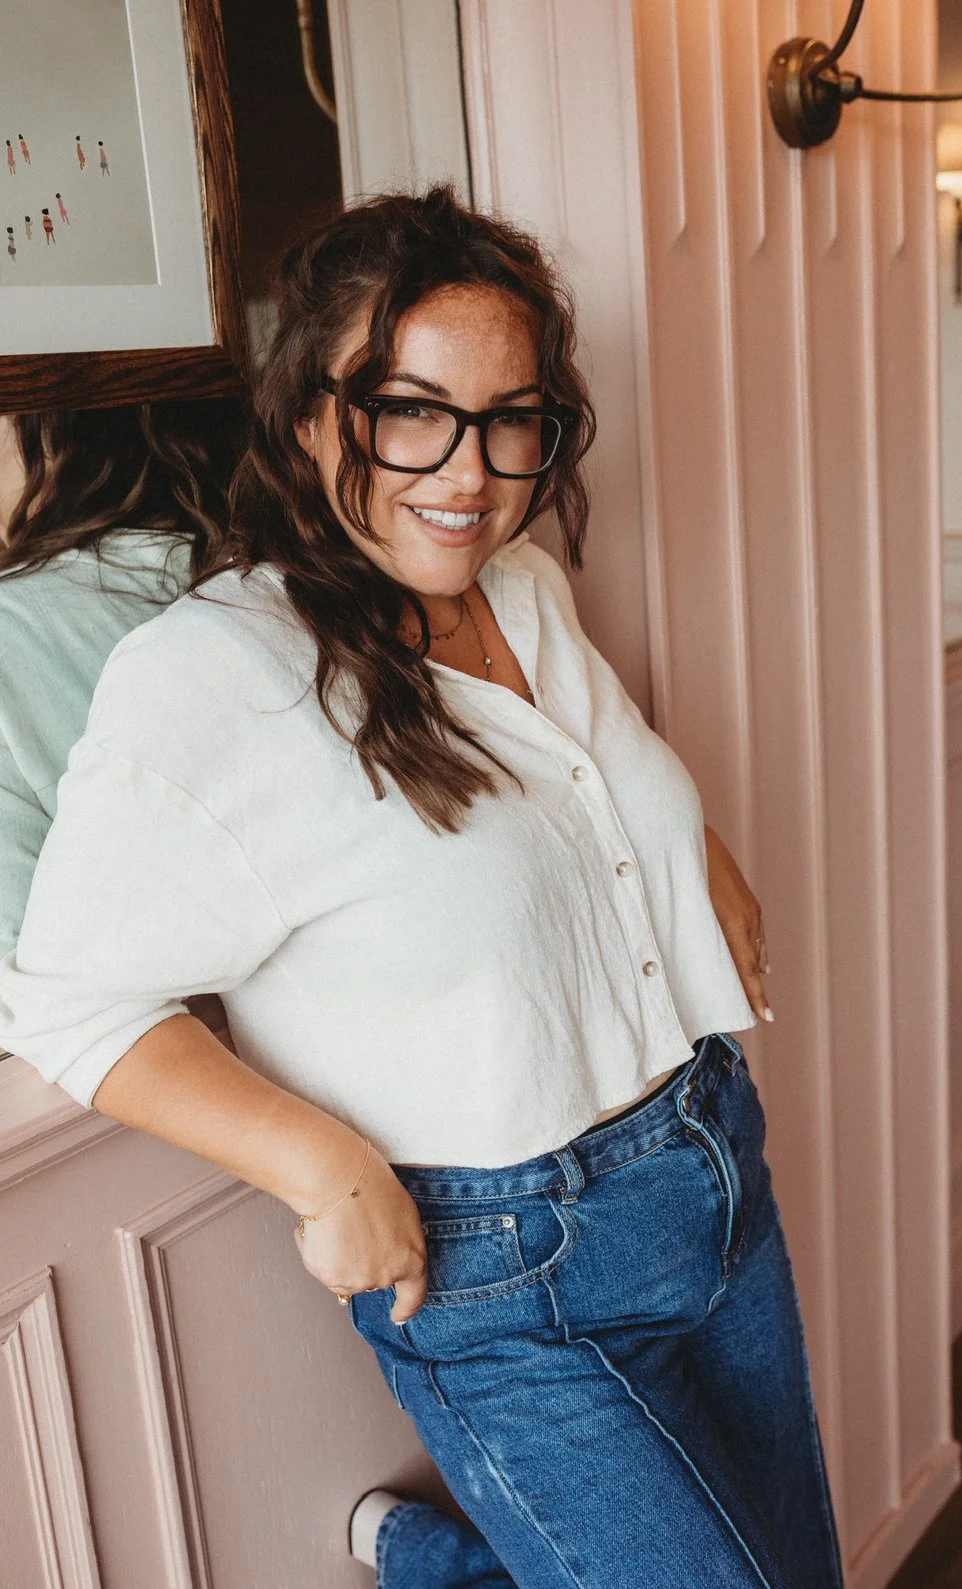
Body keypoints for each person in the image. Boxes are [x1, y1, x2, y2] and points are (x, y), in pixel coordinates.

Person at [0, 188, 843, 1589]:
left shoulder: (521, 587)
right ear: (317, 416)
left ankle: (459, 1568)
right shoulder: (216, 675)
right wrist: (316, 1163)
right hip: (505, 1274)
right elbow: (64, 994)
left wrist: (691, 852)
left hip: (709, 1167)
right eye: (413, 411)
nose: (471, 471)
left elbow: (578, 774)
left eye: (515, 418)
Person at [0, 400, 244, 970]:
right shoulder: (294, 586)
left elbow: (17, 1006)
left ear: (53, 426)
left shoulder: (15, 627)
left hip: (113, 1044)